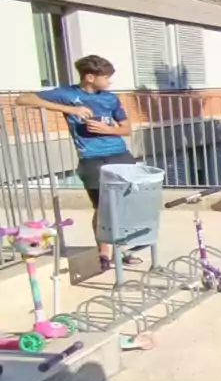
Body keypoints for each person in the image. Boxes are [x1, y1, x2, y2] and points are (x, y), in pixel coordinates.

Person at [17, 55, 139, 270]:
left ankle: (122, 249)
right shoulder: (68, 94)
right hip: (91, 159)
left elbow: (127, 129)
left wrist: (108, 130)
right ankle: (103, 253)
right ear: (90, 77)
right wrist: (70, 109)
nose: (109, 82)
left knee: (123, 206)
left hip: (120, 155)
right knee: (101, 208)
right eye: (106, 77)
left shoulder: (110, 98)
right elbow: (24, 99)